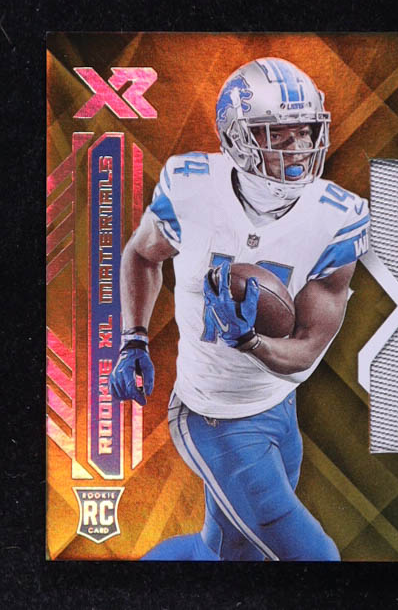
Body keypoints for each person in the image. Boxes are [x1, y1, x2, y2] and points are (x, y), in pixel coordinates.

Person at [109, 58, 370, 561]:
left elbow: (306, 349)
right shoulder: (191, 186)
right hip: (212, 415)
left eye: (305, 131)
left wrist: (250, 341)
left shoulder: (337, 217)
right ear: (237, 138)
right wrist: (133, 339)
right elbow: (142, 254)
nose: (298, 148)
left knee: (229, 554)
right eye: (279, 135)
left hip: (278, 405)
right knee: (314, 558)